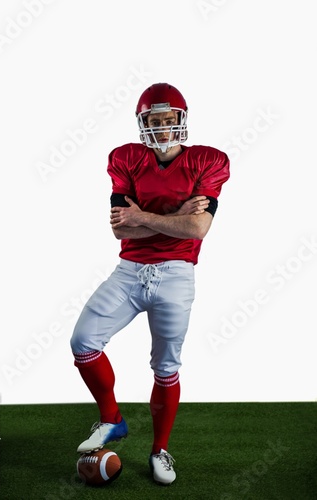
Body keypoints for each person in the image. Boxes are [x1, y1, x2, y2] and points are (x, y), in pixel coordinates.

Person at [70, 82, 230, 485]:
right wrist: (175, 216)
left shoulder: (209, 161)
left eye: (168, 119)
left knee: (166, 367)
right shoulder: (125, 158)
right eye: (153, 120)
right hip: (129, 270)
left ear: (181, 119)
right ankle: (112, 419)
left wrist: (147, 217)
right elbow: (121, 231)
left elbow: (198, 228)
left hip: (177, 273)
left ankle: (160, 450)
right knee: (83, 342)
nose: (161, 127)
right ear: (143, 123)